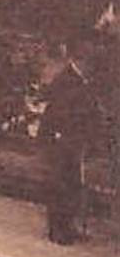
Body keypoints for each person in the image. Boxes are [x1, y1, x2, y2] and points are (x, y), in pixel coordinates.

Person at [40, 31, 102, 245]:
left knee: (73, 185)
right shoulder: (66, 80)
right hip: (62, 139)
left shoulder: (83, 80)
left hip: (74, 141)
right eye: (89, 59)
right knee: (60, 185)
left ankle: (68, 226)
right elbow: (59, 112)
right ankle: (57, 230)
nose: (92, 65)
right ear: (80, 58)